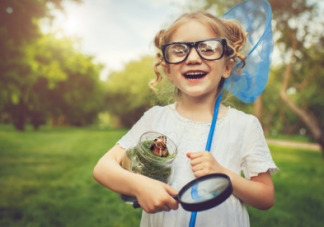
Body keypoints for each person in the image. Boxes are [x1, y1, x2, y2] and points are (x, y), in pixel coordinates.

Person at [93, 10, 278, 227]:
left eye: (207, 48)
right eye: (179, 50)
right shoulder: (155, 118)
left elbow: (266, 197)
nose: (192, 58)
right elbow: (103, 167)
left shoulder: (245, 126)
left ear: (227, 67)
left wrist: (224, 174)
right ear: (168, 70)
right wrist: (139, 185)